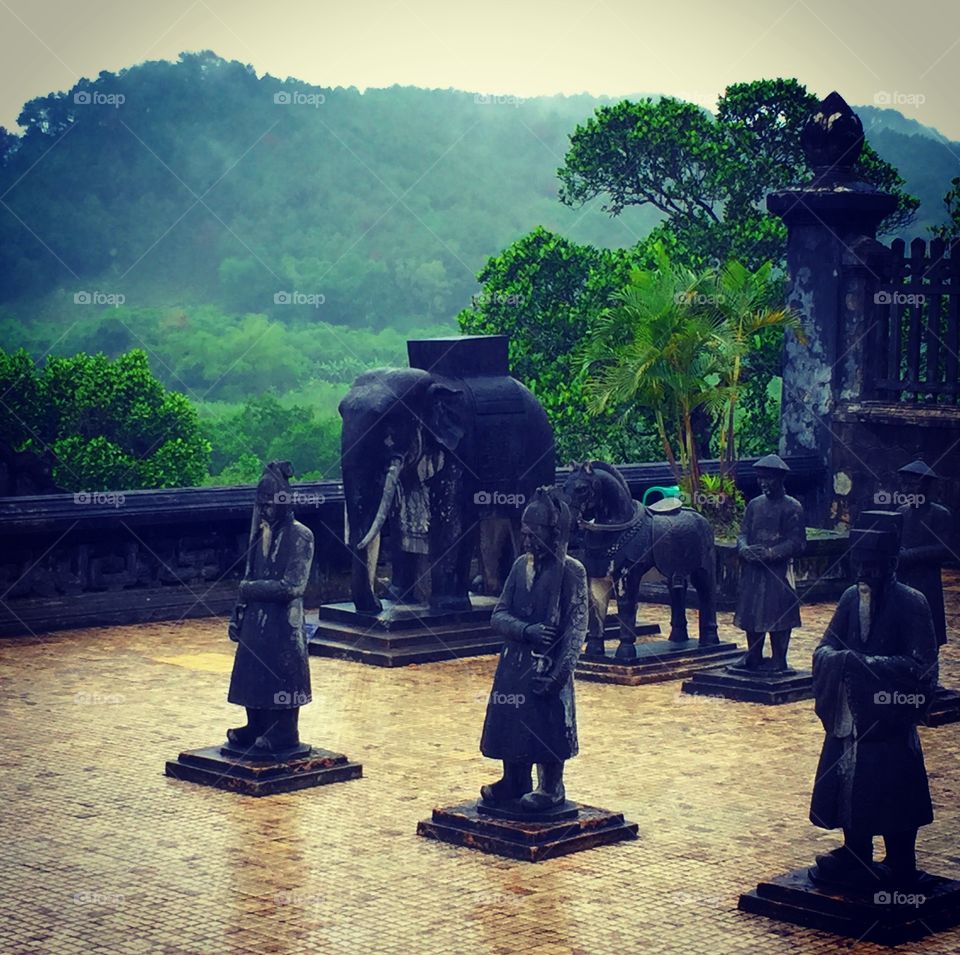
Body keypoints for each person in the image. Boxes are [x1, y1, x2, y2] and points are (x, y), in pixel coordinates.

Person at [809, 512, 938, 888]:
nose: (864, 572)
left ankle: (901, 862)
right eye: (859, 564)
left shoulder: (912, 603)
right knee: (849, 786)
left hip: (888, 720)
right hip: (851, 714)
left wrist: (864, 665)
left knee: (894, 789)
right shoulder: (851, 598)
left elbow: (922, 668)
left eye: (873, 566)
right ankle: (856, 853)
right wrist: (837, 660)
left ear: (892, 565)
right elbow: (825, 647)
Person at [479, 487, 588, 812]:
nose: (525, 541)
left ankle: (551, 787)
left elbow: (576, 630)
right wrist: (528, 631)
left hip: (549, 666)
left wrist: (558, 676)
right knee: (511, 720)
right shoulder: (518, 568)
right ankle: (514, 779)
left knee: (547, 725)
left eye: (532, 535)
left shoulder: (572, 572)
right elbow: (498, 615)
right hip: (515, 664)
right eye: (523, 534)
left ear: (551, 533)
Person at [226, 461, 315, 753]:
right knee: (252, 672)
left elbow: (293, 586)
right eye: (261, 503)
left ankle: (284, 731)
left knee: (282, 674)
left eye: (270, 503)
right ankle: (256, 725)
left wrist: (249, 590)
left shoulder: (301, 535)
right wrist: (238, 613)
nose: (265, 509)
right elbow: (249, 575)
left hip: (283, 623)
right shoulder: (259, 534)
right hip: (256, 619)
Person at [733, 454, 806, 671]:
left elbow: (798, 542)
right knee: (751, 612)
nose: (763, 483)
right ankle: (753, 655)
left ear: (780, 479)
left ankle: (779, 658)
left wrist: (771, 553)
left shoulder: (792, 507)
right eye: (760, 478)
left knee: (778, 613)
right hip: (753, 569)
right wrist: (744, 549)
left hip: (777, 570)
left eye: (768, 479)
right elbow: (743, 533)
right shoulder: (755, 505)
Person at [896, 459, 952, 648]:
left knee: (928, 630)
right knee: (901, 628)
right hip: (902, 578)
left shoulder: (940, 514)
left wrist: (910, 555)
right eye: (904, 484)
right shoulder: (901, 512)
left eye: (913, 484)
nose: (907, 489)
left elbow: (944, 549)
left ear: (926, 486)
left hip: (926, 579)